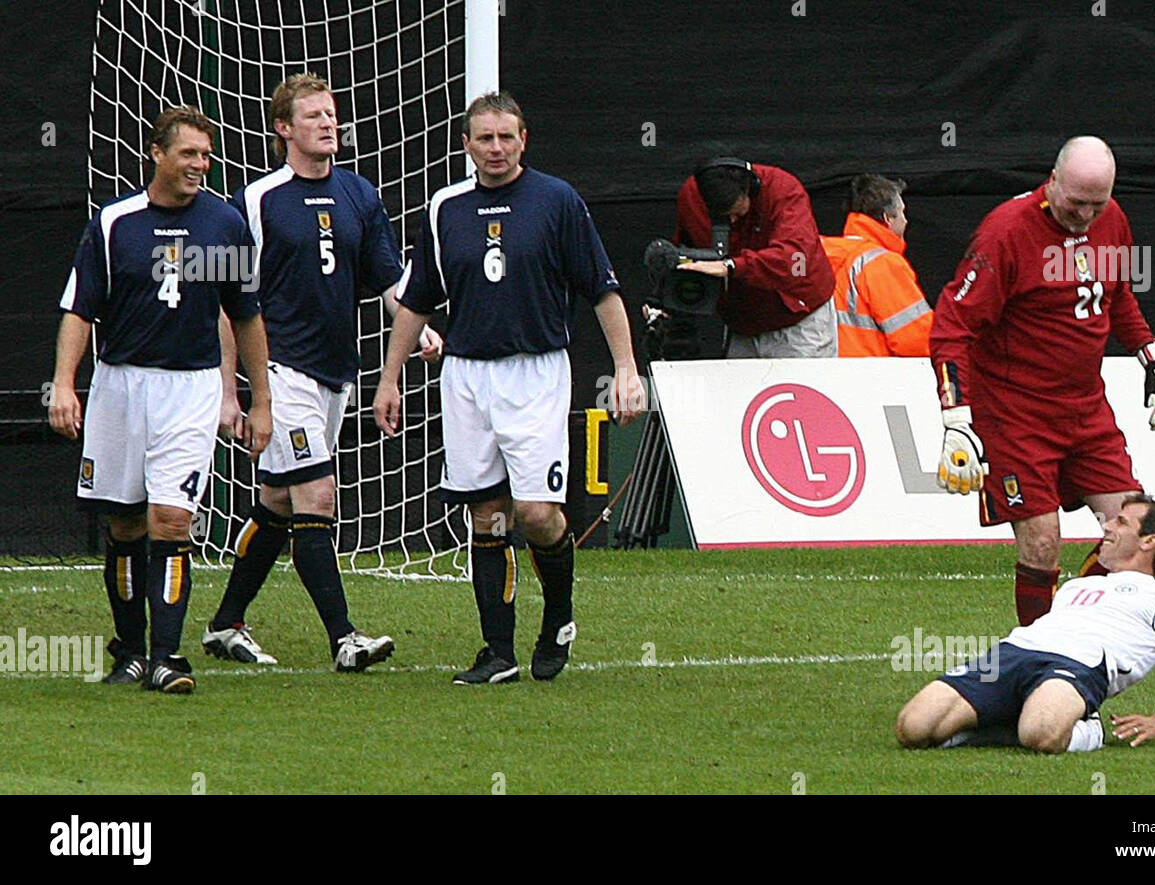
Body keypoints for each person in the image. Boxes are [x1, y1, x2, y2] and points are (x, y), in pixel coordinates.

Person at [373, 91, 645, 684]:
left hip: (536, 372)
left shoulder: (556, 201)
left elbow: (601, 289)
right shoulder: (446, 207)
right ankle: (497, 652)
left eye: (506, 137)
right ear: (466, 144)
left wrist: (626, 368)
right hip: (467, 376)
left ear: (524, 140)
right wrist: (390, 377)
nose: (495, 148)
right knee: (487, 515)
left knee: (537, 512)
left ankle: (559, 619)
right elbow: (418, 300)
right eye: (484, 138)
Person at [201, 73, 438, 672]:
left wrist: (418, 326)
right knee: (316, 494)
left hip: (337, 372)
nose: (328, 124)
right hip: (282, 372)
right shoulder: (257, 200)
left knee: (279, 500)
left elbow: (389, 279)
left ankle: (226, 623)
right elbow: (229, 301)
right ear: (284, 129)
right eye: (313, 117)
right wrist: (231, 390)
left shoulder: (360, 194)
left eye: (332, 114)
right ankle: (345, 638)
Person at [48, 106, 272, 694]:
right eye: (189, 154)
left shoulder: (223, 225)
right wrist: (65, 383)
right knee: (124, 524)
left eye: (206, 154)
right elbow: (80, 308)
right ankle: (129, 652)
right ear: (158, 154)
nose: (200, 164)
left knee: (171, 519)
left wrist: (261, 401)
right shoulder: (116, 223)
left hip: (189, 387)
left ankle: (168, 658)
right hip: (121, 385)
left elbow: (245, 315)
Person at [929, 136, 1155, 626]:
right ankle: (1037, 660)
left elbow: (1117, 293)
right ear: (1053, 180)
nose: (1085, 214)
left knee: (1138, 535)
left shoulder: (1113, 220)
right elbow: (952, 326)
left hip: (1086, 410)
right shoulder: (1006, 232)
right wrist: (956, 418)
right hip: (1015, 415)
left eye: (1096, 204)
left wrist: (1151, 353)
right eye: (1076, 202)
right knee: (1042, 543)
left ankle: (1071, 633)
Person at [896, 494, 1155, 753]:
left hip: (1079, 665)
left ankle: (1089, 728)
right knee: (913, 728)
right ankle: (1014, 719)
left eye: (1121, 523)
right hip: (1013, 652)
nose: (1107, 527)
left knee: (1040, 735)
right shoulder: (1076, 586)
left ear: (1149, 541)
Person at [675, 157, 836, 358]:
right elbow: (685, 252)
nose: (731, 221)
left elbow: (796, 262)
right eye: (720, 216)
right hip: (742, 324)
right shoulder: (691, 197)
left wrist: (732, 266)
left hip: (797, 321)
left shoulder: (783, 190)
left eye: (736, 213)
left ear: (750, 189)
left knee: (803, 388)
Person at [819, 173, 933, 356]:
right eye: (903, 212)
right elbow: (915, 340)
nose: (906, 220)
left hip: (812, 376)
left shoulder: (820, 254)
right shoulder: (882, 263)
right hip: (872, 378)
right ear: (888, 218)